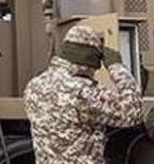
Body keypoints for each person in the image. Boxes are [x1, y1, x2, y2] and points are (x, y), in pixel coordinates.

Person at [24, 24, 142, 164]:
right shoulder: (82, 92)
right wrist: (117, 67)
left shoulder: (34, 85)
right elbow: (132, 113)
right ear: (87, 61)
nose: (94, 73)